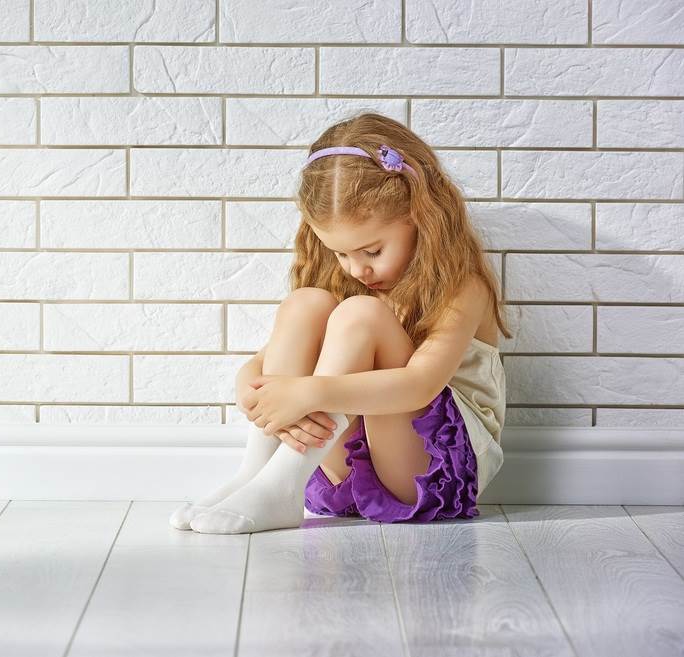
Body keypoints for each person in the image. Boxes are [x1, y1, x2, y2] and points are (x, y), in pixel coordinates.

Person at [169, 112, 512, 534]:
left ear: (419, 217)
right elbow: (265, 359)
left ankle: (281, 484)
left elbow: (421, 384)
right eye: (341, 254)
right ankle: (258, 472)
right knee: (305, 303)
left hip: (434, 469)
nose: (357, 270)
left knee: (361, 314)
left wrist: (312, 390)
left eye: (371, 251)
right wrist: (251, 385)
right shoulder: (349, 279)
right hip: (345, 463)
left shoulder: (463, 286)